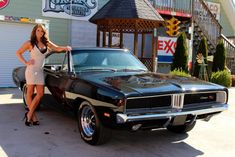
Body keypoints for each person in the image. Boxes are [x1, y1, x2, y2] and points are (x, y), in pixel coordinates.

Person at [16, 24, 71, 126]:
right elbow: (18, 52)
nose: (40, 33)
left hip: (40, 71)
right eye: (38, 30)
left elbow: (57, 48)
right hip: (31, 70)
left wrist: (66, 48)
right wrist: (26, 62)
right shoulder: (30, 43)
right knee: (30, 93)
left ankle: (29, 114)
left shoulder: (46, 43)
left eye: (42, 31)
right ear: (34, 31)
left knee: (40, 94)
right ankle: (32, 116)